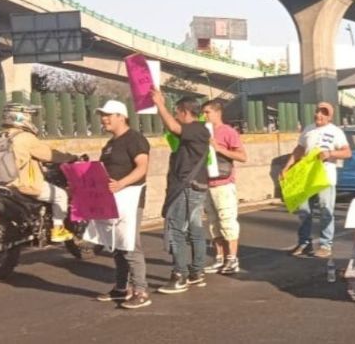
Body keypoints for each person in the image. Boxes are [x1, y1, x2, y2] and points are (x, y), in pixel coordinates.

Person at [93, 100, 151, 309]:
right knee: (117, 244)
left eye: (108, 114)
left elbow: (142, 167)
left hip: (130, 198)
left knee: (130, 244)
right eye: (102, 115)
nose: (104, 118)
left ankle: (141, 290)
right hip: (113, 199)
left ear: (121, 116)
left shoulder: (134, 139)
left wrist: (121, 184)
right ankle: (121, 287)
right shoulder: (110, 144)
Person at [152, 91, 211, 294]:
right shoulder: (200, 131)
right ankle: (197, 272)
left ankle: (179, 275)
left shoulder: (197, 129)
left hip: (187, 187)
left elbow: (173, 126)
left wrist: (160, 105)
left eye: (177, 112)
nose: (175, 115)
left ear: (185, 112)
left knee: (176, 230)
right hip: (195, 187)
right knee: (194, 230)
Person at [0, 103, 79, 243]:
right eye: (29, 116)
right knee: (60, 195)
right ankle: (58, 229)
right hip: (24, 184)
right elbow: (49, 155)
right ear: (21, 117)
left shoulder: (0, 136)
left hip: (3, 185)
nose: (31, 120)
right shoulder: (24, 137)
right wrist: (71, 158)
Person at [284, 102, 351, 258]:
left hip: (325, 176)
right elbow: (299, 149)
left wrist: (330, 154)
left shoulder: (336, 132)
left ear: (330, 117)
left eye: (324, 113)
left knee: (325, 210)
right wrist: (287, 167)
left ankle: (325, 245)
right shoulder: (308, 129)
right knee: (304, 211)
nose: (319, 115)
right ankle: (304, 243)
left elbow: (347, 152)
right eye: (318, 112)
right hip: (307, 176)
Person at [202, 100, 247, 275]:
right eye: (203, 112)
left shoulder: (228, 132)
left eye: (208, 112)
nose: (205, 116)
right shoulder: (204, 132)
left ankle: (232, 258)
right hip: (207, 182)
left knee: (227, 221)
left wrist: (219, 149)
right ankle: (219, 257)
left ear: (217, 113)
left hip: (224, 184)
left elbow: (242, 156)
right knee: (214, 223)